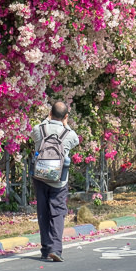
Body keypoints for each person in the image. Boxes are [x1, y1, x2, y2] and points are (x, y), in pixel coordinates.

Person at [30, 101, 80, 262]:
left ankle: (45, 249)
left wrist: (46, 121)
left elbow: (33, 133)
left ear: (50, 113)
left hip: (40, 176)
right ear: (66, 117)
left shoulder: (39, 129)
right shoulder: (69, 134)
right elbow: (76, 140)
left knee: (43, 212)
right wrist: (66, 125)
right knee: (57, 211)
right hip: (59, 180)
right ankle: (55, 249)